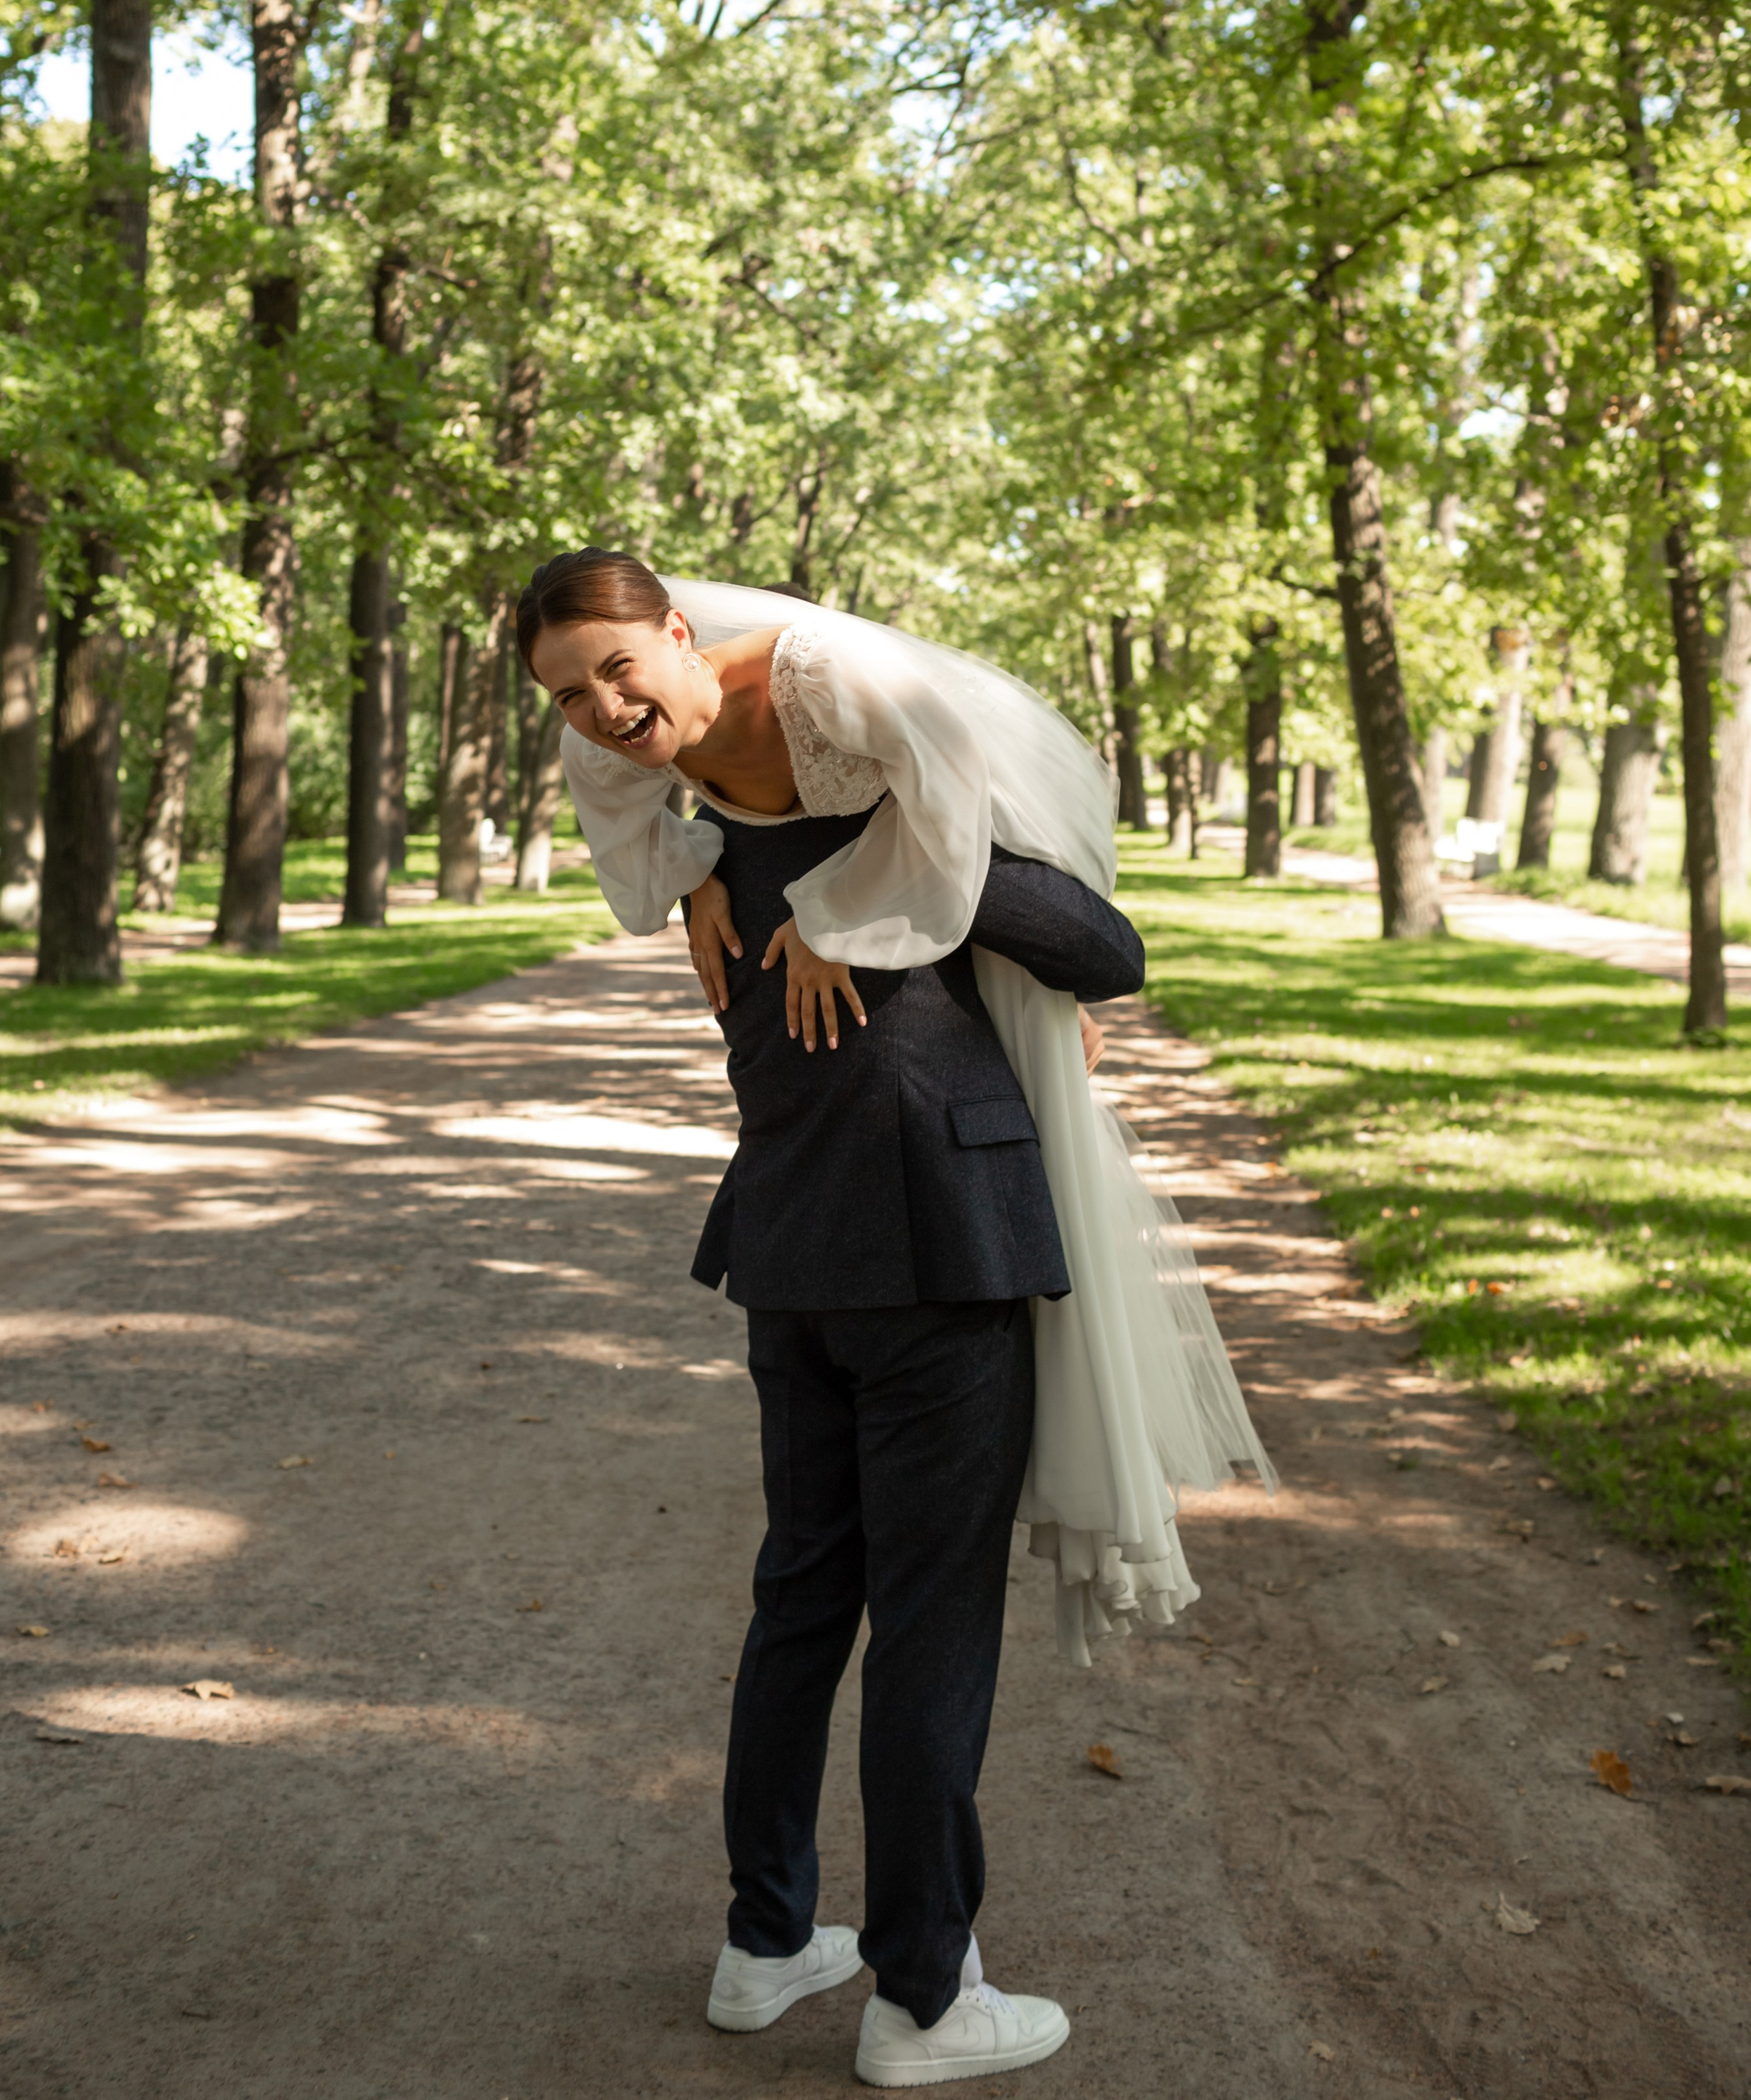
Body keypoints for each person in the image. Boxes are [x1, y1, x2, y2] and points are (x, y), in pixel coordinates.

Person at [515, 553, 1274, 2073]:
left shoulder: (718, 865)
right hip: (939, 1257)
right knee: (930, 1625)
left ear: (682, 637)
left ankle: (767, 1940)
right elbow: (1111, 953)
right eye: (572, 697)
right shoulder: (913, 844)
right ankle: (925, 1998)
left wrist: (819, 898)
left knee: (802, 1598)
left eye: (614, 672)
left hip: (793, 1258)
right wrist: (950, 907)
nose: (601, 713)